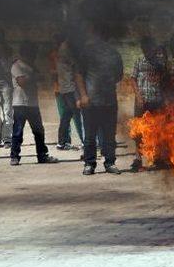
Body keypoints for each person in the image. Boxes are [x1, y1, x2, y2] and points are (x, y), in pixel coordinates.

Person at [74, 25, 124, 175]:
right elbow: (78, 75)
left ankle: (110, 162)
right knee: (90, 136)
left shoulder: (114, 54)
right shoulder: (86, 53)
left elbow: (119, 75)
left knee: (109, 135)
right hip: (91, 102)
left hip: (109, 101)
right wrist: (83, 95)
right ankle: (89, 164)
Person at [10, 42, 59, 166]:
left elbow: (42, 79)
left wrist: (36, 75)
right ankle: (14, 156)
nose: (34, 57)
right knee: (18, 131)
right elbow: (22, 82)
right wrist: (35, 76)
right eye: (32, 54)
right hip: (20, 104)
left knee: (39, 131)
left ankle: (42, 155)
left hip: (33, 104)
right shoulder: (17, 65)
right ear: (26, 53)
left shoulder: (31, 66)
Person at [129, 36, 167, 172]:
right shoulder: (139, 61)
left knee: (157, 130)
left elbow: (166, 77)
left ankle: (157, 157)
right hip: (142, 101)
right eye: (144, 49)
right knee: (138, 130)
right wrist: (138, 96)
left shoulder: (160, 62)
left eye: (149, 48)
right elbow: (132, 79)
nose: (146, 51)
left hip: (157, 100)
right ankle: (138, 158)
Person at [55, 34, 84, 151]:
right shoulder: (66, 49)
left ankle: (61, 141)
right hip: (71, 88)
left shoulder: (62, 50)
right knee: (78, 115)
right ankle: (84, 140)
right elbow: (76, 66)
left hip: (65, 88)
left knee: (66, 115)